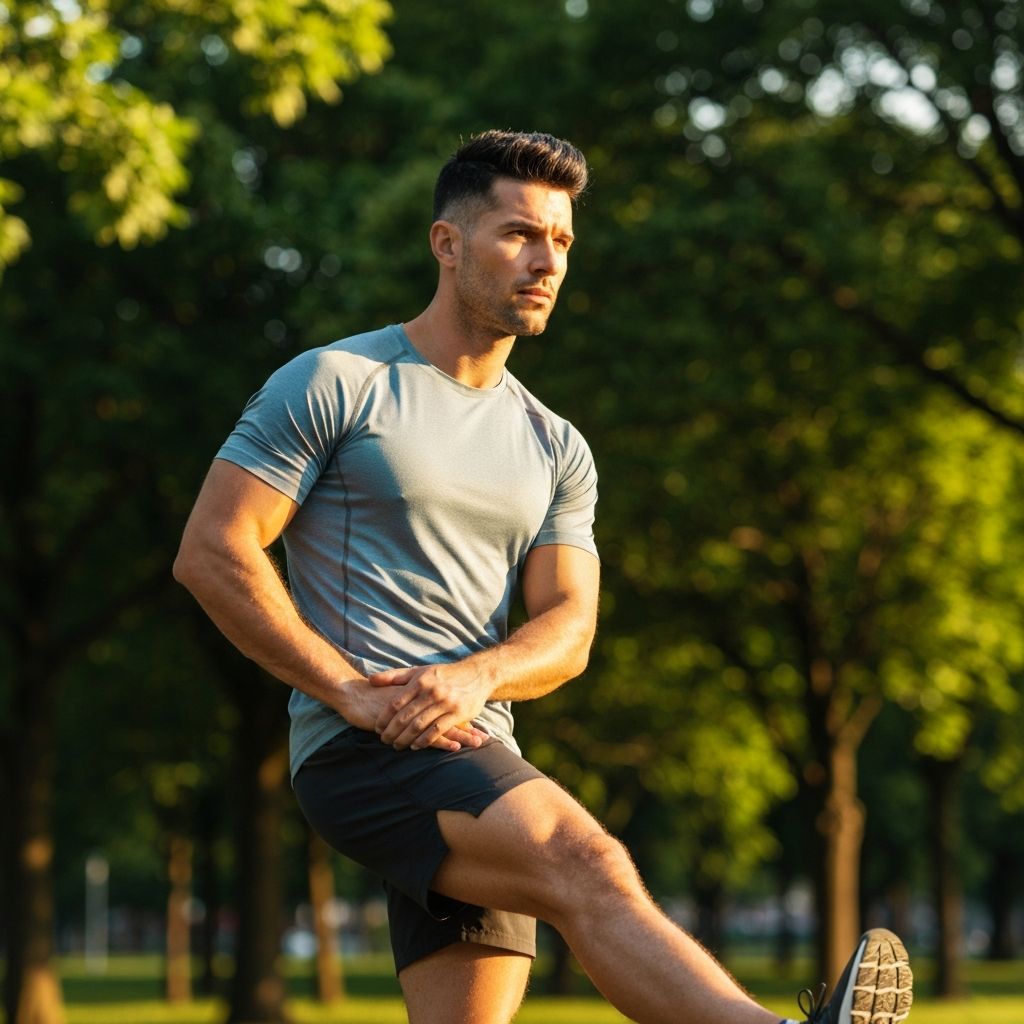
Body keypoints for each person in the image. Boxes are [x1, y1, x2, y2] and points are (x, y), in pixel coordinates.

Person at [173, 130, 914, 1024]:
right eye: (519, 234)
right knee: (589, 865)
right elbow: (214, 550)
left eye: (561, 241)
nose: (546, 261)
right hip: (365, 753)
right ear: (447, 244)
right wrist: (352, 693)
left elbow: (568, 627)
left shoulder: (555, 444)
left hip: (481, 755)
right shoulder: (339, 381)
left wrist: (479, 673)